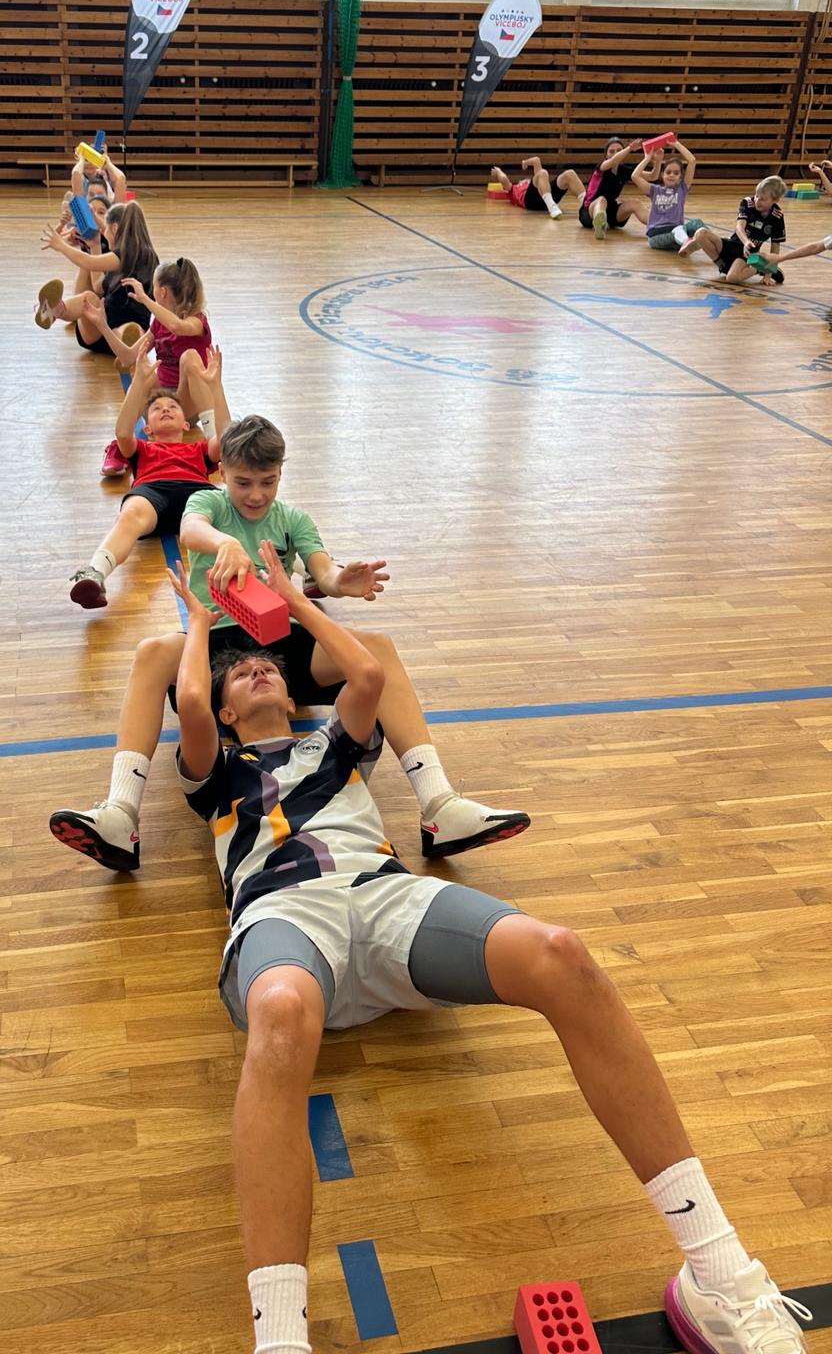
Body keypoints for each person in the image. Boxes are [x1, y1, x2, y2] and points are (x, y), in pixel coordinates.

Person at [161, 542, 814, 1354]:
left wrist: (292, 601)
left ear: (294, 692)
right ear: (227, 712)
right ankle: (282, 1341)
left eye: (268, 666)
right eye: (241, 674)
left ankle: (717, 1273)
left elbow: (366, 675)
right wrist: (200, 620)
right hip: (287, 916)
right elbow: (190, 703)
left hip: (383, 896)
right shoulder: (215, 773)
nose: (257, 670)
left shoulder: (333, 745)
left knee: (562, 954)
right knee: (282, 1011)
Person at [49, 413, 530, 872]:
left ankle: (439, 804)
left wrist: (341, 581)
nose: (256, 494)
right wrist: (225, 543)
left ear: (281, 473)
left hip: (280, 640)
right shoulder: (208, 503)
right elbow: (191, 531)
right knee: (152, 652)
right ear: (223, 472)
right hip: (214, 636)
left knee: (378, 647)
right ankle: (120, 814)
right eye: (243, 482)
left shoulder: (294, 519)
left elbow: (322, 571)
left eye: (268, 481)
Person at [69, 345, 229, 610]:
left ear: (186, 424)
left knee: (240, 514)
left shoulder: (199, 449)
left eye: (173, 406)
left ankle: (298, 567)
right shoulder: (142, 449)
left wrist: (215, 387)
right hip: (152, 493)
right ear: (148, 429)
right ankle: (95, 573)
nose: (165, 409)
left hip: (197, 493)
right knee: (129, 515)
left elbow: (223, 442)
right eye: (156, 408)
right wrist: (139, 383)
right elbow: (123, 432)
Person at [93, 258, 215, 478]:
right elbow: (127, 357)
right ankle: (120, 446)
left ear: (162, 292)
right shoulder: (158, 323)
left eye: (153, 287)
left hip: (187, 404)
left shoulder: (197, 321)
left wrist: (144, 299)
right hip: (160, 401)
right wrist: (102, 325)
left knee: (189, 357)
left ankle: (215, 440)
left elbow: (176, 325)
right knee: (144, 370)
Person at [35, 201, 159, 387]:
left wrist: (61, 245)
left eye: (106, 229)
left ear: (114, 228)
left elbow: (89, 263)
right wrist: (95, 245)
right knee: (120, 321)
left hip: (102, 332)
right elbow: (99, 285)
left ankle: (57, 310)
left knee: (92, 301)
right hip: (108, 329)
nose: (104, 233)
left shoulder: (122, 255)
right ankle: (56, 310)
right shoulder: (151, 257)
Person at [630, 139, 719, 258]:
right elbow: (634, 176)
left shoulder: (682, 188)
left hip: (677, 233)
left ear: (680, 177)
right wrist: (647, 158)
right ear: (662, 175)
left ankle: (719, 244)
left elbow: (692, 161)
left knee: (697, 223)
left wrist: (676, 144)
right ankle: (686, 242)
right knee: (679, 229)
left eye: (676, 173)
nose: (672, 175)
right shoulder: (655, 190)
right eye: (668, 172)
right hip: (656, 237)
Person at [712, 177, 788, 284]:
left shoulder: (777, 216)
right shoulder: (747, 203)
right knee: (701, 233)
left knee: (732, 278)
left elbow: (775, 247)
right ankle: (724, 266)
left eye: (762, 199)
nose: (757, 201)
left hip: (749, 253)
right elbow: (739, 227)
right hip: (735, 243)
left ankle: (761, 267)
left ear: (775, 200)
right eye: (756, 195)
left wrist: (768, 274)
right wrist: (746, 242)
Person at [578, 136, 648, 238]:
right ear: (606, 155)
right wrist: (629, 148)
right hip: (589, 212)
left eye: (619, 151)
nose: (615, 153)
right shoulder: (601, 166)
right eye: (611, 151)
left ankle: (658, 226)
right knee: (602, 200)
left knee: (635, 203)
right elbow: (613, 161)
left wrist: (655, 160)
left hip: (611, 213)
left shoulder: (623, 170)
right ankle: (599, 226)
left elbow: (652, 176)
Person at [489, 155, 584, 220]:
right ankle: (552, 207)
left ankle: (586, 204)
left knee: (569, 174)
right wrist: (498, 171)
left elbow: (536, 160)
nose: (523, 181)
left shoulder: (537, 181)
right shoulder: (513, 189)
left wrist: (525, 163)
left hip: (545, 194)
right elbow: (504, 179)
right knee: (542, 173)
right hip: (531, 202)